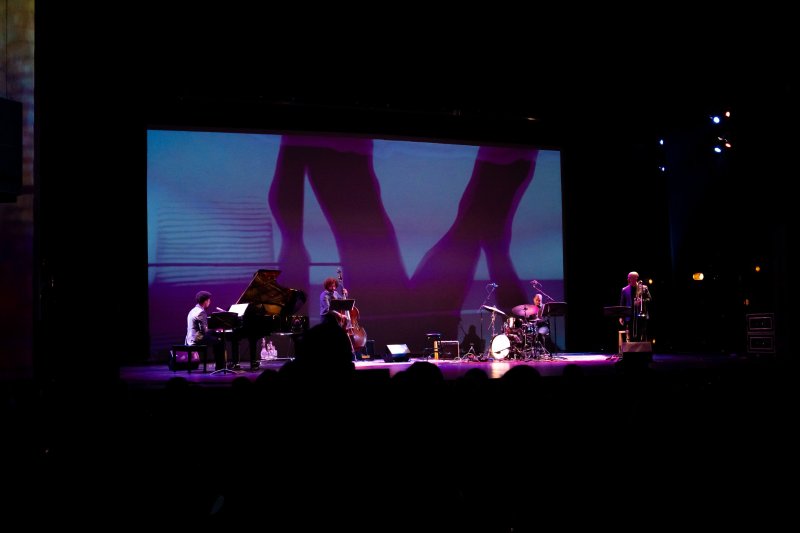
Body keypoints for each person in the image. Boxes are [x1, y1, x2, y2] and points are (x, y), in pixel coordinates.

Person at [186, 290, 234, 370]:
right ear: (205, 301)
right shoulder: (201, 312)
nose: (210, 302)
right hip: (197, 339)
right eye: (209, 300)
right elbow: (204, 331)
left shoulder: (193, 310)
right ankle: (220, 366)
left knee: (216, 337)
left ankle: (220, 365)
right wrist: (216, 330)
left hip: (191, 337)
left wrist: (214, 331)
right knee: (219, 341)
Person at [619, 271, 651, 342]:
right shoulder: (624, 290)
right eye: (629, 278)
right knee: (631, 336)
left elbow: (649, 299)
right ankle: (632, 352)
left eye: (632, 278)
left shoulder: (644, 287)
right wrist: (621, 316)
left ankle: (642, 351)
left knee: (642, 334)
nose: (630, 279)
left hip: (641, 315)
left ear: (636, 278)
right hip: (630, 316)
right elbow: (622, 304)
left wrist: (642, 301)